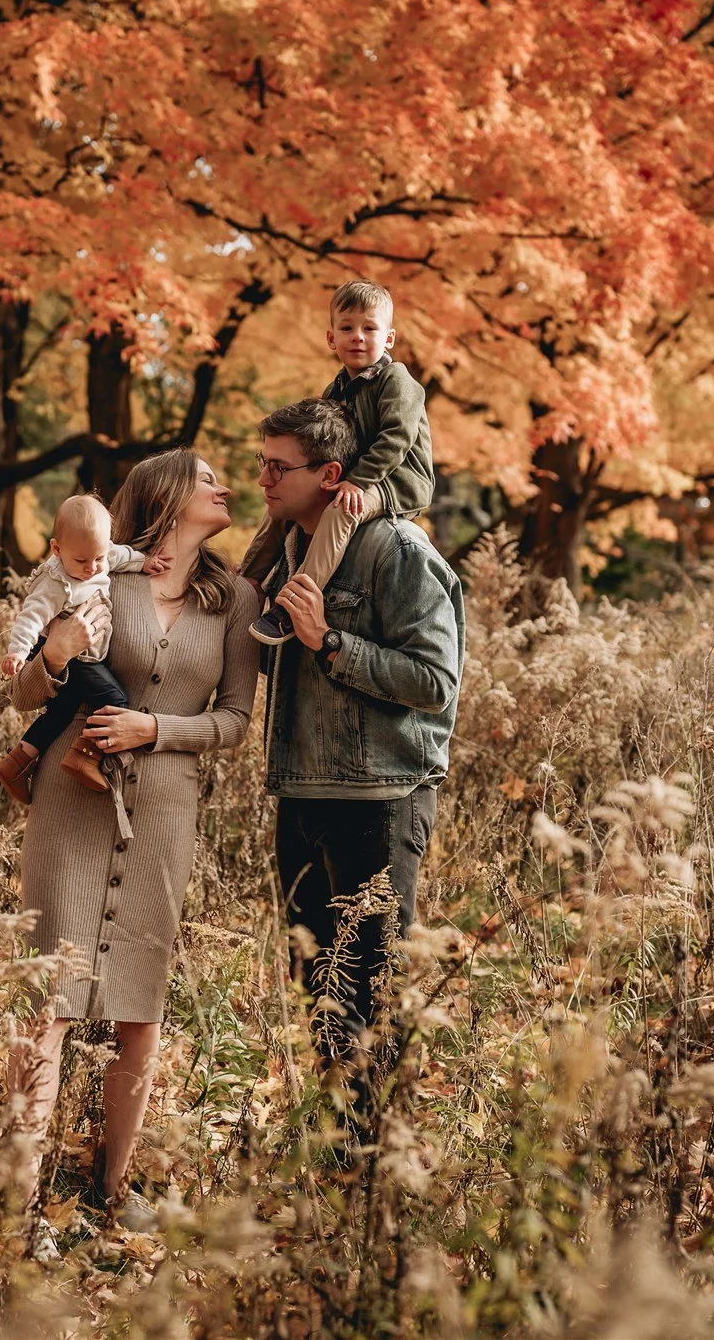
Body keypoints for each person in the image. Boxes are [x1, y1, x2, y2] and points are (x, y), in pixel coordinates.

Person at [0, 450, 262, 1247]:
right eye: (207, 475)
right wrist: (51, 654)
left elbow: (236, 721)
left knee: (138, 1010)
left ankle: (111, 1192)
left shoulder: (236, 599)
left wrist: (158, 729)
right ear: (165, 497)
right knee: (49, 998)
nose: (224, 486)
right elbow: (23, 691)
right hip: (72, 804)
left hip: (164, 814)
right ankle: (18, 1202)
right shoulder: (99, 577)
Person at [253, 398, 463, 1084]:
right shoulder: (286, 551)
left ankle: (374, 1168)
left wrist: (330, 641)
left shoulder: (397, 549)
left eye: (278, 467)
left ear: (331, 473)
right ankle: (336, 1156)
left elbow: (435, 679)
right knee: (316, 981)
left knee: (372, 985)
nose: (264, 479)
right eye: (262, 463)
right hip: (302, 791)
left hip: (380, 798)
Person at [246, 279, 435, 645]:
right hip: (355, 475)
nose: (358, 337)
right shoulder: (336, 389)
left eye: (369, 328)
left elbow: (397, 436)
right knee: (285, 502)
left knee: (341, 511)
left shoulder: (397, 381)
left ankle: (293, 607)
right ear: (332, 338)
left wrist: (359, 482)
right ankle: (248, 580)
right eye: (347, 328)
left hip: (398, 481)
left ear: (389, 338)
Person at [0, 494, 168, 804]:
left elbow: (121, 556)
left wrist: (146, 562)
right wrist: (18, 651)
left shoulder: (98, 554)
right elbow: (30, 618)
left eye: (98, 558)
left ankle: (18, 763)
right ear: (57, 550)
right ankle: (85, 755)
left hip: (83, 652)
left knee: (62, 709)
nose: (92, 568)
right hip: (63, 650)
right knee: (115, 700)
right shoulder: (55, 582)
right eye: (81, 561)